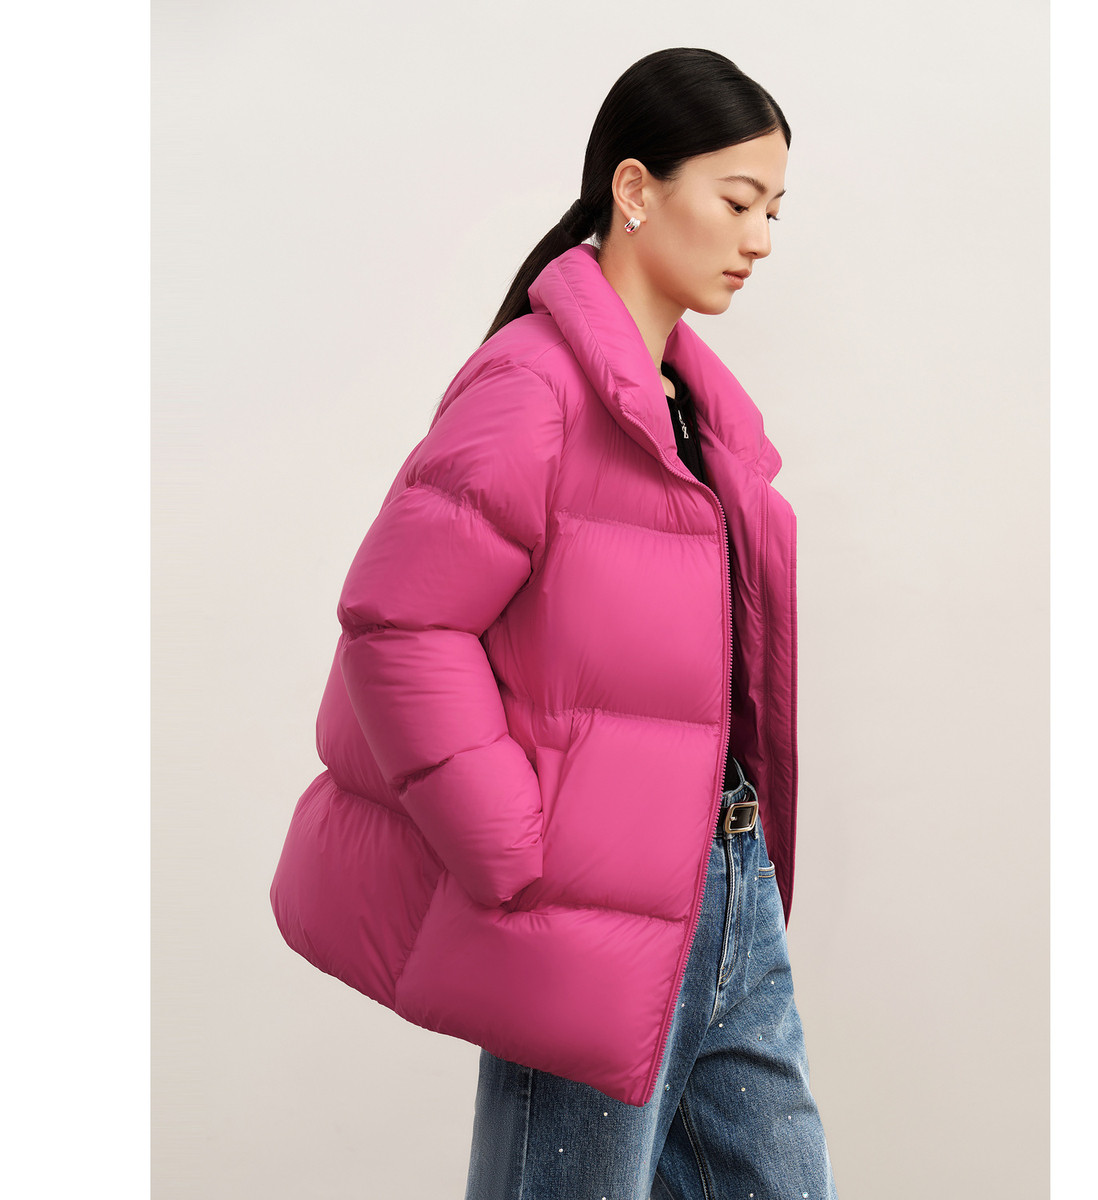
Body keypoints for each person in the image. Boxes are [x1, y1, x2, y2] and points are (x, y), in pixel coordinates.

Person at [270, 46, 839, 1200]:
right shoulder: (531, 387)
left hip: (729, 886)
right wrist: (511, 851)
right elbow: (398, 623)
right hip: (588, 912)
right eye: (738, 201)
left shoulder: (693, 408)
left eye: (773, 210)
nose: (761, 239)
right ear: (636, 190)